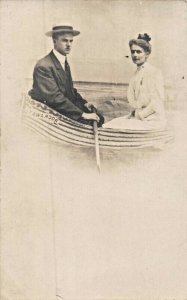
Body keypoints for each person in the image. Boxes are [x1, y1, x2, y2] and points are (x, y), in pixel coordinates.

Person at [29, 25, 104, 127]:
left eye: (71, 41)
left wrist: (84, 104)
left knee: (99, 117)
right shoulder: (44, 66)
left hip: (60, 108)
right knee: (90, 122)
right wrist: (83, 114)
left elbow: (70, 91)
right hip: (50, 113)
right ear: (54, 41)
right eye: (65, 41)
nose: (69, 45)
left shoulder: (63, 62)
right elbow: (55, 98)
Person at [103, 33, 166, 130]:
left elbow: (157, 102)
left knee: (112, 127)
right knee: (110, 124)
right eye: (133, 52)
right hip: (140, 118)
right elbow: (137, 102)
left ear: (147, 54)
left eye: (138, 52)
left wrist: (139, 116)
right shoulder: (135, 75)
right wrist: (133, 114)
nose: (135, 55)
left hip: (153, 121)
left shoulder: (154, 72)